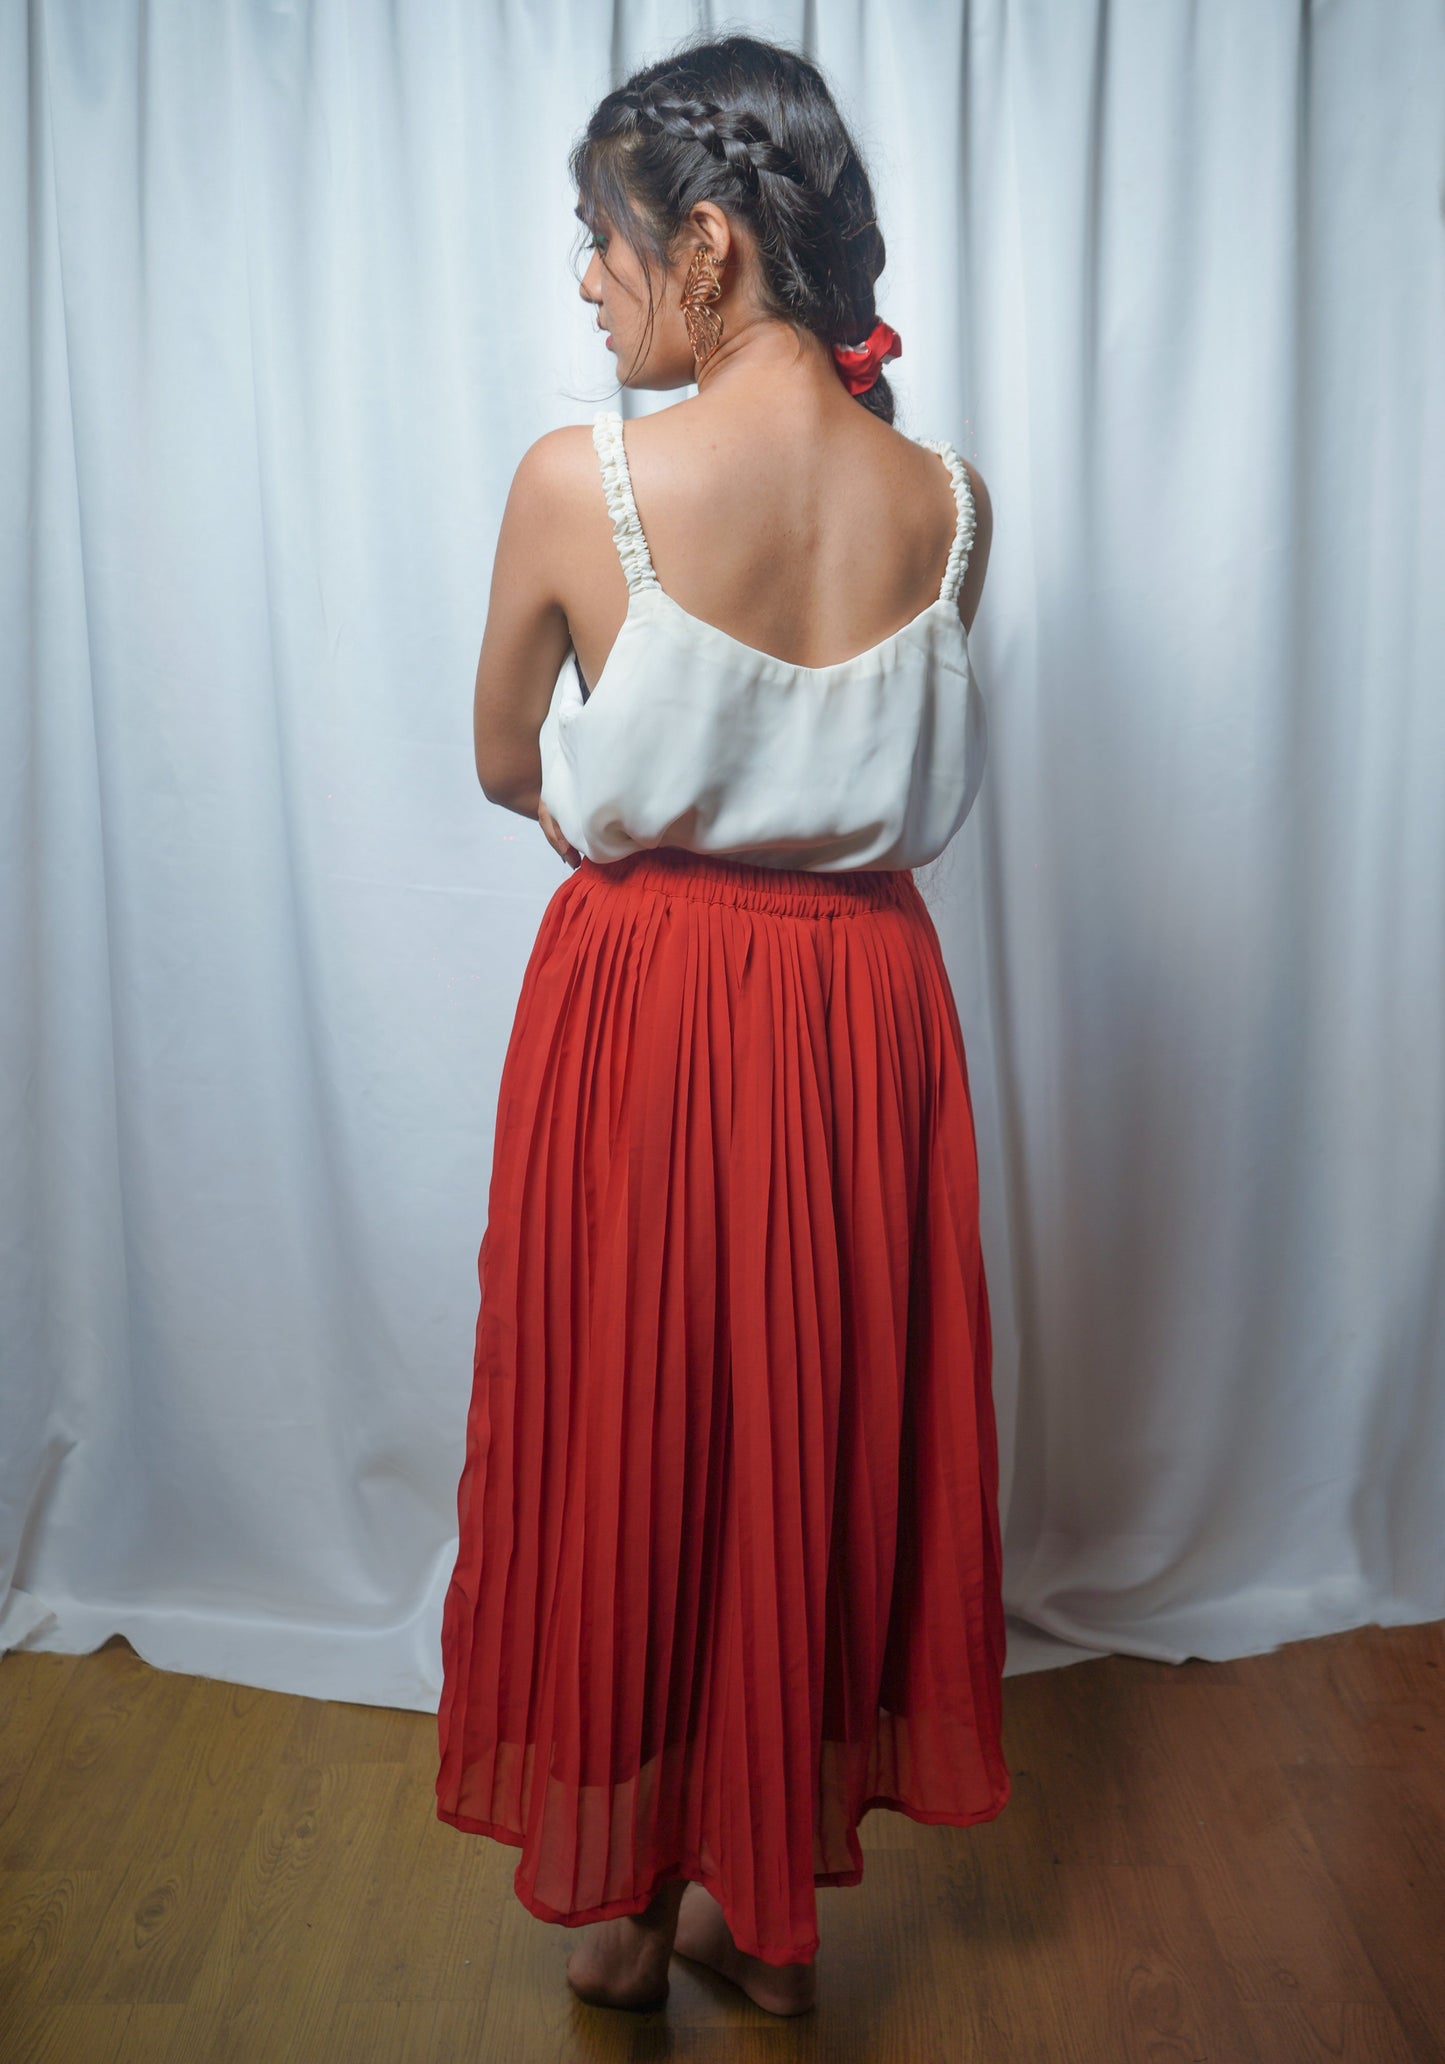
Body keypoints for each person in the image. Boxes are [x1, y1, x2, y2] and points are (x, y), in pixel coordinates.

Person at [434, 30, 1009, 2020]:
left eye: (601, 238)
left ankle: (627, 1892)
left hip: (653, 1004)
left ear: (705, 245)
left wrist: (635, 812)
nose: (585, 279)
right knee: (812, 1437)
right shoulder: (951, 505)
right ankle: (764, 1909)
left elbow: (505, 762)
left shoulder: (579, 483)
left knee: (636, 1432)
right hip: (863, 1018)